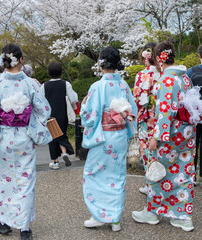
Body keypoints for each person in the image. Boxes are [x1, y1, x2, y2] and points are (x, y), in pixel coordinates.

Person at [0, 44, 52, 240]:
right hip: (25, 138)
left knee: (5, 180)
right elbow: (43, 111)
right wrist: (32, 127)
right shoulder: (31, 84)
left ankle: (4, 223)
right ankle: (24, 228)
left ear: (3, 61)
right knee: (26, 181)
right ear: (21, 60)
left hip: (5, 139)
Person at [132, 41, 196, 232]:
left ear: (159, 58)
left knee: (157, 170)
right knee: (183, 173)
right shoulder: (185, 78)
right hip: (186, 133)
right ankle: (183, 216)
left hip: (170, 134)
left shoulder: (167, 80)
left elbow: (164, 112)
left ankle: (153, 212)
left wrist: (156, 137)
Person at [81, 46, 137, 232]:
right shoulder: (123, 85)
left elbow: (90, 116)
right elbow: (132, 111)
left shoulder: (98, 86)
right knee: (117, 176)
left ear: (101, 63)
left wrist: (83, 108)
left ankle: (100, 215)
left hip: (102, 137)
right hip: (119, 135)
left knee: (94, 174)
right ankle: (115, 219)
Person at [133, 42, 160, 195]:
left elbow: (137, 98)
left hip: (146, 118)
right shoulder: (165, 74)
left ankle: (150, 185)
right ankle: (163, 184)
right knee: (162, 151)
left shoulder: (142, 75)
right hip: (162, 118)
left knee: (147, 151)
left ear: (145, 58)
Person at [41, 62, 79, 169]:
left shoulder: (44, 86)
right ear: (61, 72)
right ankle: (65, 153)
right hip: (63, 114)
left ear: (48, 72)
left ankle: (56, 162)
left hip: (50, 115)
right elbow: (73, 99)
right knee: (61, 134)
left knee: (53, 137)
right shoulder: (66, 84)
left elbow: (41, 101)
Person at [187, 45, 202, 182]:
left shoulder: (191, 71)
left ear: (199, 56)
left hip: (195, 115)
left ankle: (192, 177)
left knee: (193, 144)